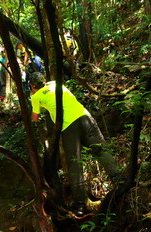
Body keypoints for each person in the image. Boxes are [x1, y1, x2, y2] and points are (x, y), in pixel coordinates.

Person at [30, 72, 120, 216]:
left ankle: (81, 203)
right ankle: (118, 178)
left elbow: (34, 118)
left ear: (33, 86)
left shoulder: (36, 96)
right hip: (85, 116)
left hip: (69, 126)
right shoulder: (56, 84)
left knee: (74, 163)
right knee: (101, 150)